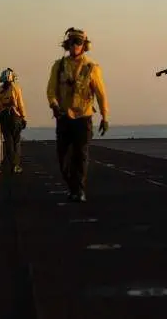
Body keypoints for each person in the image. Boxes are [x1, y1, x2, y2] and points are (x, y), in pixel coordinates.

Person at [46, 27, 109, 203]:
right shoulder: (58, 66)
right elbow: (51, 90)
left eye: (78, 42)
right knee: (63, 159)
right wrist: (54, 105)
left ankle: (79, 190)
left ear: (84, 45)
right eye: (72, 42)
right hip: (64, 117)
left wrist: (105, 117)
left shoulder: (91, 68)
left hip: (83, 118)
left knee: (80, 156)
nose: (75, 45)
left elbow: (101, 93)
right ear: (67, 44)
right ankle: (73, 186)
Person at [0, 69, 27, 174]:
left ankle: (11, 164)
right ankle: (16, 165)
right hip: (15, 116)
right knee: (16, 141)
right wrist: (23, 117)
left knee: (8, 141)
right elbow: (20, 104)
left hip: (4, 116)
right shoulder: (16, 88)